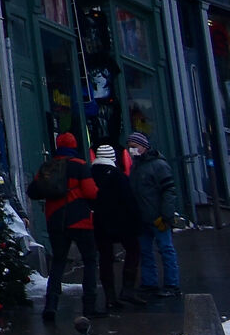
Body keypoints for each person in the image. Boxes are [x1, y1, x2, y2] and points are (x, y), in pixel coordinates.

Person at [28, 131, 104, 321]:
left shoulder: (48, 166)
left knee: (58, 262)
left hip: (55, 220)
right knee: (89, 261)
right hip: (80, 220)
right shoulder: (79, 166)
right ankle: (89, 305)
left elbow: (34, 190)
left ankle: (51, 305)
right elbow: (90, 192)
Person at [126, 133, 182, 300]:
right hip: (143, 217)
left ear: (143, 146)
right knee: (146, 251)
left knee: (165, 249)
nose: (132, 150)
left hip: (157, 216)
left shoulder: (158, 165)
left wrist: (166, 215)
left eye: (134, 146)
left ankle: (172, 284)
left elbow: (169, 191)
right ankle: (150, 283)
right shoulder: (136, 166)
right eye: (130, 146)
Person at [89, 145, 141, 311]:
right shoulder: (118, 176)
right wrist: (138, 220)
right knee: (133, 250)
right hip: (122, 221)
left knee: (105, 258)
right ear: (113, 158)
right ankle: (127, 289)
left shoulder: (90, 174)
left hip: (99, 221)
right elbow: (129, 200)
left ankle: (110, 296)